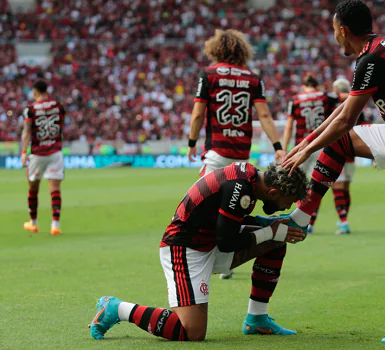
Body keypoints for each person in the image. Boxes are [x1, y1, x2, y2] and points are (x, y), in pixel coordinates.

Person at [282, 0, 385, 343]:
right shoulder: (376, 51)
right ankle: (301, 218)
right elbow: (345, 111)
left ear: (343, 30)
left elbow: (347, 118)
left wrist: (305, 151)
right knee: (339, 143)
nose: (335, 40)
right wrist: (305, 145)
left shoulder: (372, 59)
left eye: (334, 33)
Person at [89, 162, 309, 341]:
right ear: (272, 191)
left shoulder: (249, 178)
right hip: (185, 249)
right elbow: (226, 241)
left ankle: (257, 319)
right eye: (286, 203)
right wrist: (269, 230)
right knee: (192, 332)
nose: (284, 208)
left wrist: (269, 226)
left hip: (208, 241)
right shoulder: (240, 188)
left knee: (277, 239)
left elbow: (230, 222)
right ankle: (117, 308)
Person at [187, 29, 286, 279]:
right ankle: (228, 261)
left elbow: (198, 113)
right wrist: (277, 146)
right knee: (236, 207)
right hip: (241, 157)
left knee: (204, 207)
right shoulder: (252, 78)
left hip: (216, 153)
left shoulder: (208, 74)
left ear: (216, 49)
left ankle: (201, 259)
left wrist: (191, 141)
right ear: (242, 50)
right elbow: (264, 115)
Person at [282, 74, 345, 233]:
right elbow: (348, 97)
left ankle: (301, 221)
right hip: (322, 144)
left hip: (302, 147)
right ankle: (335, 220)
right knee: (317, 186)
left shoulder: (295, 99)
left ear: (303, 85)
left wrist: (284, 149)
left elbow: (289, 126)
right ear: (316, 85)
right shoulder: (325, 96)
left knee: (300, 185)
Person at [20, 80, 66, 235]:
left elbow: (27, 131)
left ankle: (33, 223)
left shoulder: (30, 109)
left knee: (33, 188)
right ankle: (55, 225)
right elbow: (61, 125)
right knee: (55, 189)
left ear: (35, 92)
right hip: (55, 151)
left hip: (38, 153)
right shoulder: (58, 106)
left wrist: (24, 152)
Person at [330, 78, 367, 235]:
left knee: (337, 188)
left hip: (336, 150)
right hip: (352, 152)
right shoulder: (358, 105)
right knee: (345, 188)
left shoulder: (332, 107)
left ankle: (344, 222)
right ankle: (344, 219)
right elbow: (364, 128)